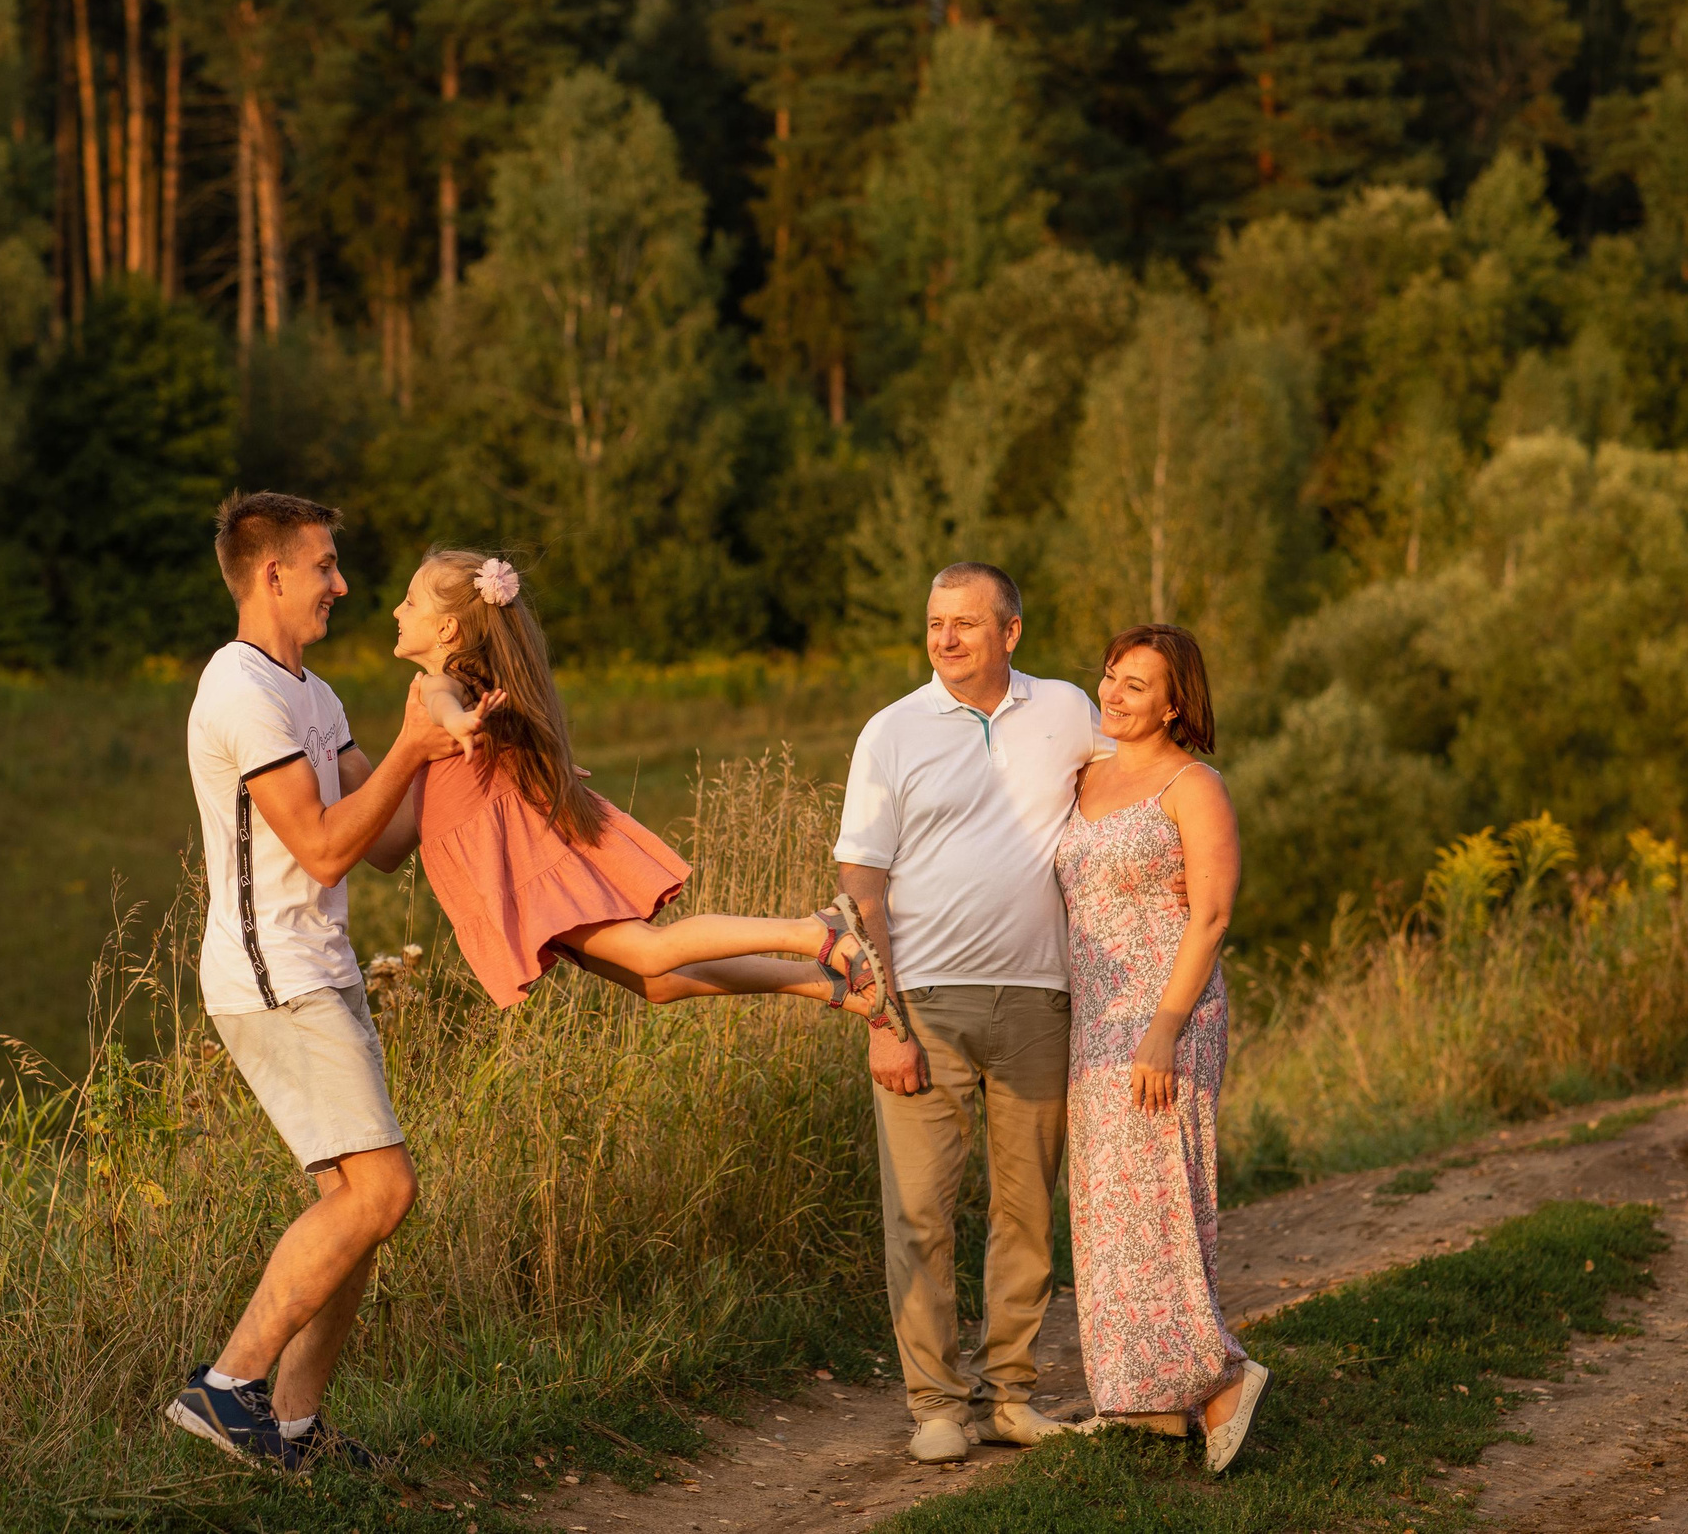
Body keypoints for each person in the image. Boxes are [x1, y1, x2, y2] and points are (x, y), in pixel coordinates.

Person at [165, 493, 491, 1469]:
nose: (342, 585)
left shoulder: (309, 691)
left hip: (322, 970)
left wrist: (462, 746)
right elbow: (319, 847)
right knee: (381, 1191)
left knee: (357, 1205)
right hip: (274, 980)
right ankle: (226, 1391)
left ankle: (293, 1431)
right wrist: (408, 747)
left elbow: (385, 840)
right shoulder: (240, 690)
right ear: (271, 574)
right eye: (325, 566)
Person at [832, 562, 1122, 1464]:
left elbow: (1130, 793)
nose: (946, 637)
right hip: (924, 1002)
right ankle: (936, 1405)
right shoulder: (892, 731)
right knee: (919, 1211)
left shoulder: (1070, 710)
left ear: (1012, 631)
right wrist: (883, 1022)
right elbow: (859, 887)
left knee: (1027, 1208)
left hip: (1041, 997)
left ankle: (1012, 1395)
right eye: (934, 622)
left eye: (965, 622)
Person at [391, 548, 902, 1023]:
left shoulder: (449, 683)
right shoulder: (480, 682)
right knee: (655, 983)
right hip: (514, 863)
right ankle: (826, 984)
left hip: (527, 867)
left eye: (410, 602)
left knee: (651, 951)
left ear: (447, 629)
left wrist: (453, 720)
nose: (396, 610)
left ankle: (817, 931)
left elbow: (441, 697)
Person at [1058, 624, 1265, 1473]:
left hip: (1164, 1014)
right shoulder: (1082, 774)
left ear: (1174, 701)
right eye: (1110, 675)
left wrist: (1165, 1026)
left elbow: (1211, 915)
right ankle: (1148, 1397)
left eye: (1136, 684)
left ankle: (1219, 1377)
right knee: (1110, 1207)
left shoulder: (1193, 784)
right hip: (1094, 1016)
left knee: (1161, 1203)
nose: (1113, 693)